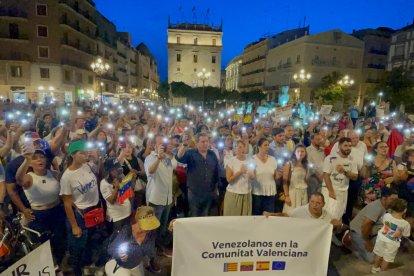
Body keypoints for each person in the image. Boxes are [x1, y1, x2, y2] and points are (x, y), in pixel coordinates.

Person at [15, 148, 66, 265]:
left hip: (57, 211)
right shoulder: (29, 177)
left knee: (59, 240)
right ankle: (47, 266)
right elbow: (18, 179)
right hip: (39, 216)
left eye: (41, 157)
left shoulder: (53, 173)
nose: (39, 159)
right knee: (42, 244)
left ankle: (59, 264)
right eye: (35, 158)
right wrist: (26, 160)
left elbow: (65, 179)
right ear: (31, 163)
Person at [60, 140, 101, 276]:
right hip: (80, 215)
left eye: (85, 152)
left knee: (89, 241)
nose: (85, 156)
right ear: (73, 155)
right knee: (77, 246)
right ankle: (76, 271)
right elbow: (67, 203)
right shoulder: (67, 177)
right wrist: (74, 226)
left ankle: (85, 264)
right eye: (81, 153)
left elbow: (98, 171)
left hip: (92, 211)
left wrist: (96, 159)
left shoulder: (86, 166)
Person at [105, 206, 161, 275]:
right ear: (138, 222)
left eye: (151, 225)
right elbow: (110, 249)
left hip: (136, 265)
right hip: (121, 266)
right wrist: (118, 254)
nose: (149, 229)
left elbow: (151, 250)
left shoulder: (150, 232)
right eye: (147, 225)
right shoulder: (126, 231)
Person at [348, 187, 398, 263]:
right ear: (384, 198)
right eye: (393, 199)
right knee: (372, 260)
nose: (395, 202)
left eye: (396, 200)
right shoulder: (376, 208)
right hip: (359, 233)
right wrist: (367, 242)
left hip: (373, 233)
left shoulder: (389, 206)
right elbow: (365, 226)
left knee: (391, 240)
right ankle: (352, 245)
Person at [176, 133, 220, 217]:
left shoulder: (212, 154)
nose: (205, 144)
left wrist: (216, 187)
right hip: (194, 192)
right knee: (195, 216)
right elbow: (179, 157)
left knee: (206, 216)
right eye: (202, 142)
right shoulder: (190, 153)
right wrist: (184, 145)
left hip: (209, 191)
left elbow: (216, 171)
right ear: (197, 143)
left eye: (207, 141)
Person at [144, 135, 175, 256]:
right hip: (156, 200)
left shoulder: (167, 158)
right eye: (160, 144)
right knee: (153, 230)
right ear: (153, 145)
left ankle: (159, 248)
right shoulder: (150, 158)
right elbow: (150, 172)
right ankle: (150, 254)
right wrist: (158, 158)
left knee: (162, 227)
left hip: (167, 199)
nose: (163, 146)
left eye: (164, 143)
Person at [322, 137, 358, 220]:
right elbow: (326, 175)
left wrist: (344, 171)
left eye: (350, 146)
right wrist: (331, 191)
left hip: (343, 192)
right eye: (345, 145)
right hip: (330, 191)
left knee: (339, 216)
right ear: (339, 146)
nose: (348, 148)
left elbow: (355, 177)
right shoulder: (330, 158)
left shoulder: (352, 160)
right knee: (328, 216)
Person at [371, 199, 411, 273]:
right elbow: (406, 235)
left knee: (378, 254)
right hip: (392, 243)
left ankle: (374, 268)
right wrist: (399, 233)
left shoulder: (386, 215)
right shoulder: (405, 224)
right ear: (405, 210)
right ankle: (383, 272)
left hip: (381, 238)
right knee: (387, 259)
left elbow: (384, 222)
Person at [100, 158, 132, 234]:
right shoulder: (104, 183)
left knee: (126, 237)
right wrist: (116, 188)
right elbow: (111, 201)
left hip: (127, 213)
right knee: (117, 241)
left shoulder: (121, 176)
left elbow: (128, 194)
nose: (117, 171)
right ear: (108, 171)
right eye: (114, 169)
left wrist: (131, 181)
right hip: (117, 218)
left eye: (118, 168)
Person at [223, 140, 254, 216]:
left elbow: (253, 177)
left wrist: (251, 174)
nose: (242, 149)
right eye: (239, 147)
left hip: (246, 193)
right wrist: (240, 172)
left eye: (244, 147)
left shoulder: (250, 160)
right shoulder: (231, 162)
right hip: (234, 193)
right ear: (235, 149)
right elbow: (229, 179)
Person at [251, 138, 278, 215]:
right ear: (259, 146)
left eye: (268, 145)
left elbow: (275, 176)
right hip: (257, 192)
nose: (267, 147)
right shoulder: (253, 159)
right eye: (265, 145)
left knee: (269, 216)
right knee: (257, 215)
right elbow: (251, 176)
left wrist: (278, 175)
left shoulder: (273, 159)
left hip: (270, 192)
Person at [283, 145, 309, 212]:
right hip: (293, 192)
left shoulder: (305, 165)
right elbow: (285, 182)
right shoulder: (289, 164)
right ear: (294, 153)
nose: (300, 153)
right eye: (298, 151)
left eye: (302, 151)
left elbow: (305, 180)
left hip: (303, 192)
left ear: (305, 153)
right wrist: (287, 196)